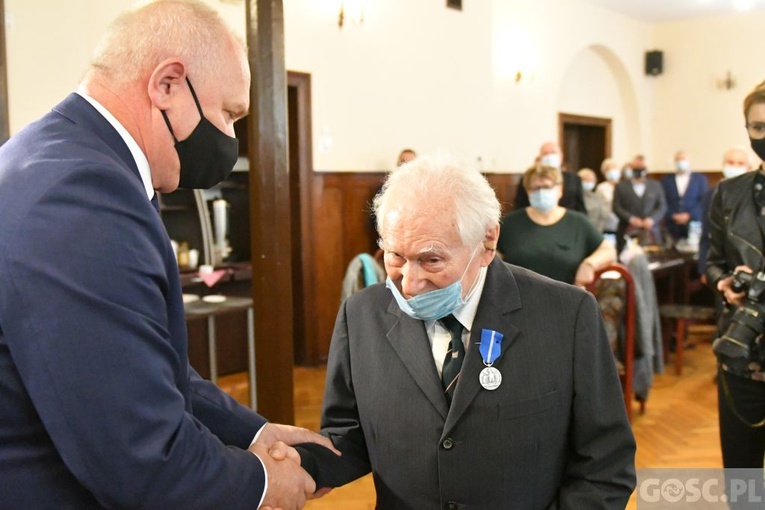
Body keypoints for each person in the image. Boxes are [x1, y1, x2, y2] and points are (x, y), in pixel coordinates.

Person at [0, 1, 335, 508]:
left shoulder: (60, 158)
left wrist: (254, 434)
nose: (228, 136)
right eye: (228, 113)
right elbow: (139, 456)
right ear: (167, 85)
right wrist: (262, 483)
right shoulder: (82, 196)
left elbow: (138, 363)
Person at [295, 155, 636, 509]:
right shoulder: (361, 315)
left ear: (487, 242)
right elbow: (348, 435)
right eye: (395, 256)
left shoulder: (567, 315)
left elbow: (606, 464)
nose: (409, 284)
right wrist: (297, 467)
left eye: (432, 260)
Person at [706, 79, 765, 473]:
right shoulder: (729, 194)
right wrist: (725, 284)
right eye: (758, 127)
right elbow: (712, 263)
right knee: (743, 478)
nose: (764, 135)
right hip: (741, 354)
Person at [498, 165, 616, 286]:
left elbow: (608, 250)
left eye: (547, 187)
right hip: (518, 298)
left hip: (567, 298)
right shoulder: (510, 223)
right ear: (527, 192)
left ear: (560, 190)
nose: (541, 192)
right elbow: (492, 254)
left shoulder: (578, 222)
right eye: (535, 188)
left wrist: (590, 264)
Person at [697, 146, 753, 278]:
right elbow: (707, 235)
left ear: (749, 168)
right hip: (722, 268)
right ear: (723, 165)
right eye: (731, 163)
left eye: (740, 163)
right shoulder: (711, 195)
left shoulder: (755, 195)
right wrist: (704, 268)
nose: (735, 167)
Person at [513, 141, 587, 213]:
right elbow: (520, 206)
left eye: (553, 153)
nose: (550, 156)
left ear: (561, 156)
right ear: (540, 157)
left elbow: (580, 207)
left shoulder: (574, 179)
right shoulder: (528, 179)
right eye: (546, 154)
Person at [612, 157, 667, 252]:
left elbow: (662, 206)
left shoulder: (656, 186)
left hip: (650, 232)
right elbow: (616, 206)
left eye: (642, 167)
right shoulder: (621, 187)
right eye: (636, 167)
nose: (639, 170)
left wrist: (652, 219)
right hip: (627, 231)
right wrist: (631, 218)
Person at [660, 150, 709, 241]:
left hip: (694, 223)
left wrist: (689, 215)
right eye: (678, 160)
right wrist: (673, 215)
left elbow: (703, 200)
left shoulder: (700, 179)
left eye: (683, 159)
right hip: (672, 224)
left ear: (689, 161)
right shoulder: (666, 180)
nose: (681, 162)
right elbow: (663, 200)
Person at [596, 157, 622, 234]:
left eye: (614, 168)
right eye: (608, 169)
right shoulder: (601, 188)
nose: (612, 171)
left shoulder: (623, 186)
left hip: (623, 224)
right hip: (608, 226)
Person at [578, 167, 610, 232]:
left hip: (595, 231)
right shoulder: (576, 197)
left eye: (591, 180)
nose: (589, 183)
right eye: (586, 180)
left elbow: (603, 216)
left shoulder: (597, 197)